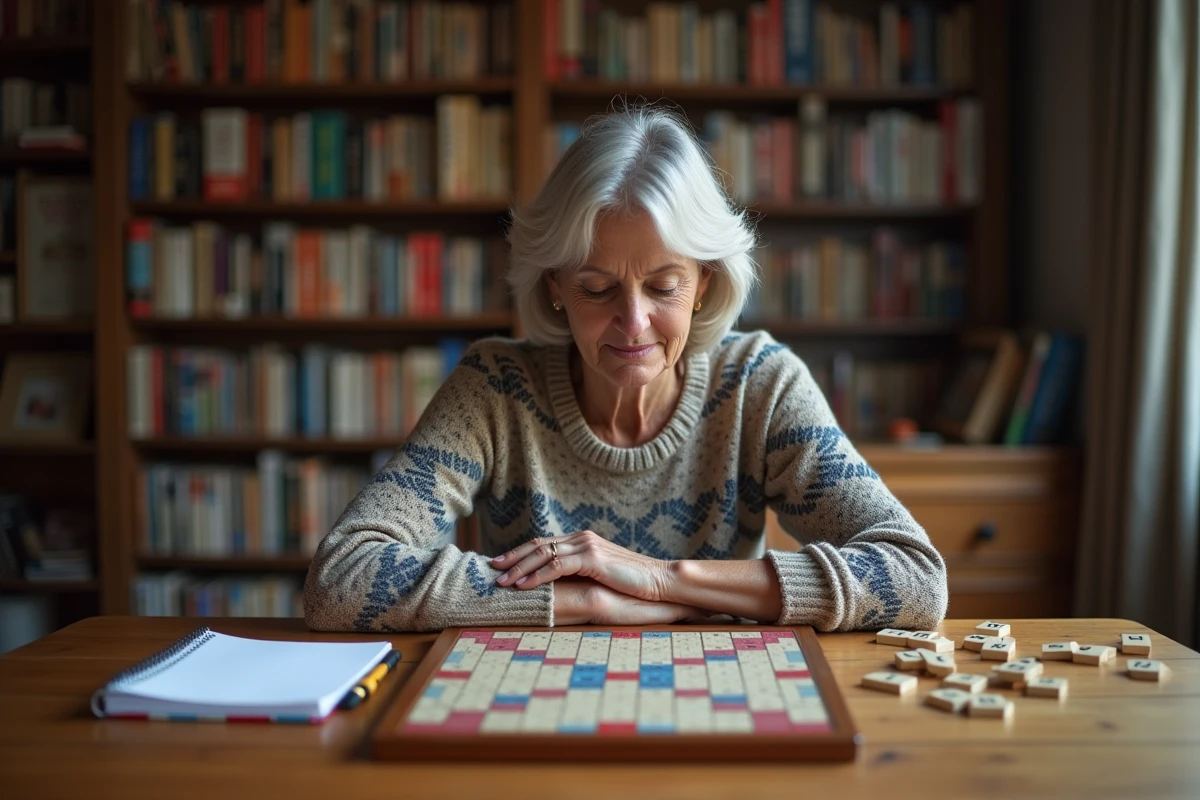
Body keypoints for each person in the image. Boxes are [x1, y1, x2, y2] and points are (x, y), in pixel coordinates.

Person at [304, 106, 948, 633]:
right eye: (596, 287)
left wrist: (665, 580)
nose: (633, 323)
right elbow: (342, 580)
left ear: (704, 283)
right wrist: (588, 600)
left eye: (663, 287)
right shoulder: (495, 388)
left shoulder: (760, 385)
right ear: (554, 286)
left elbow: (916, 578)